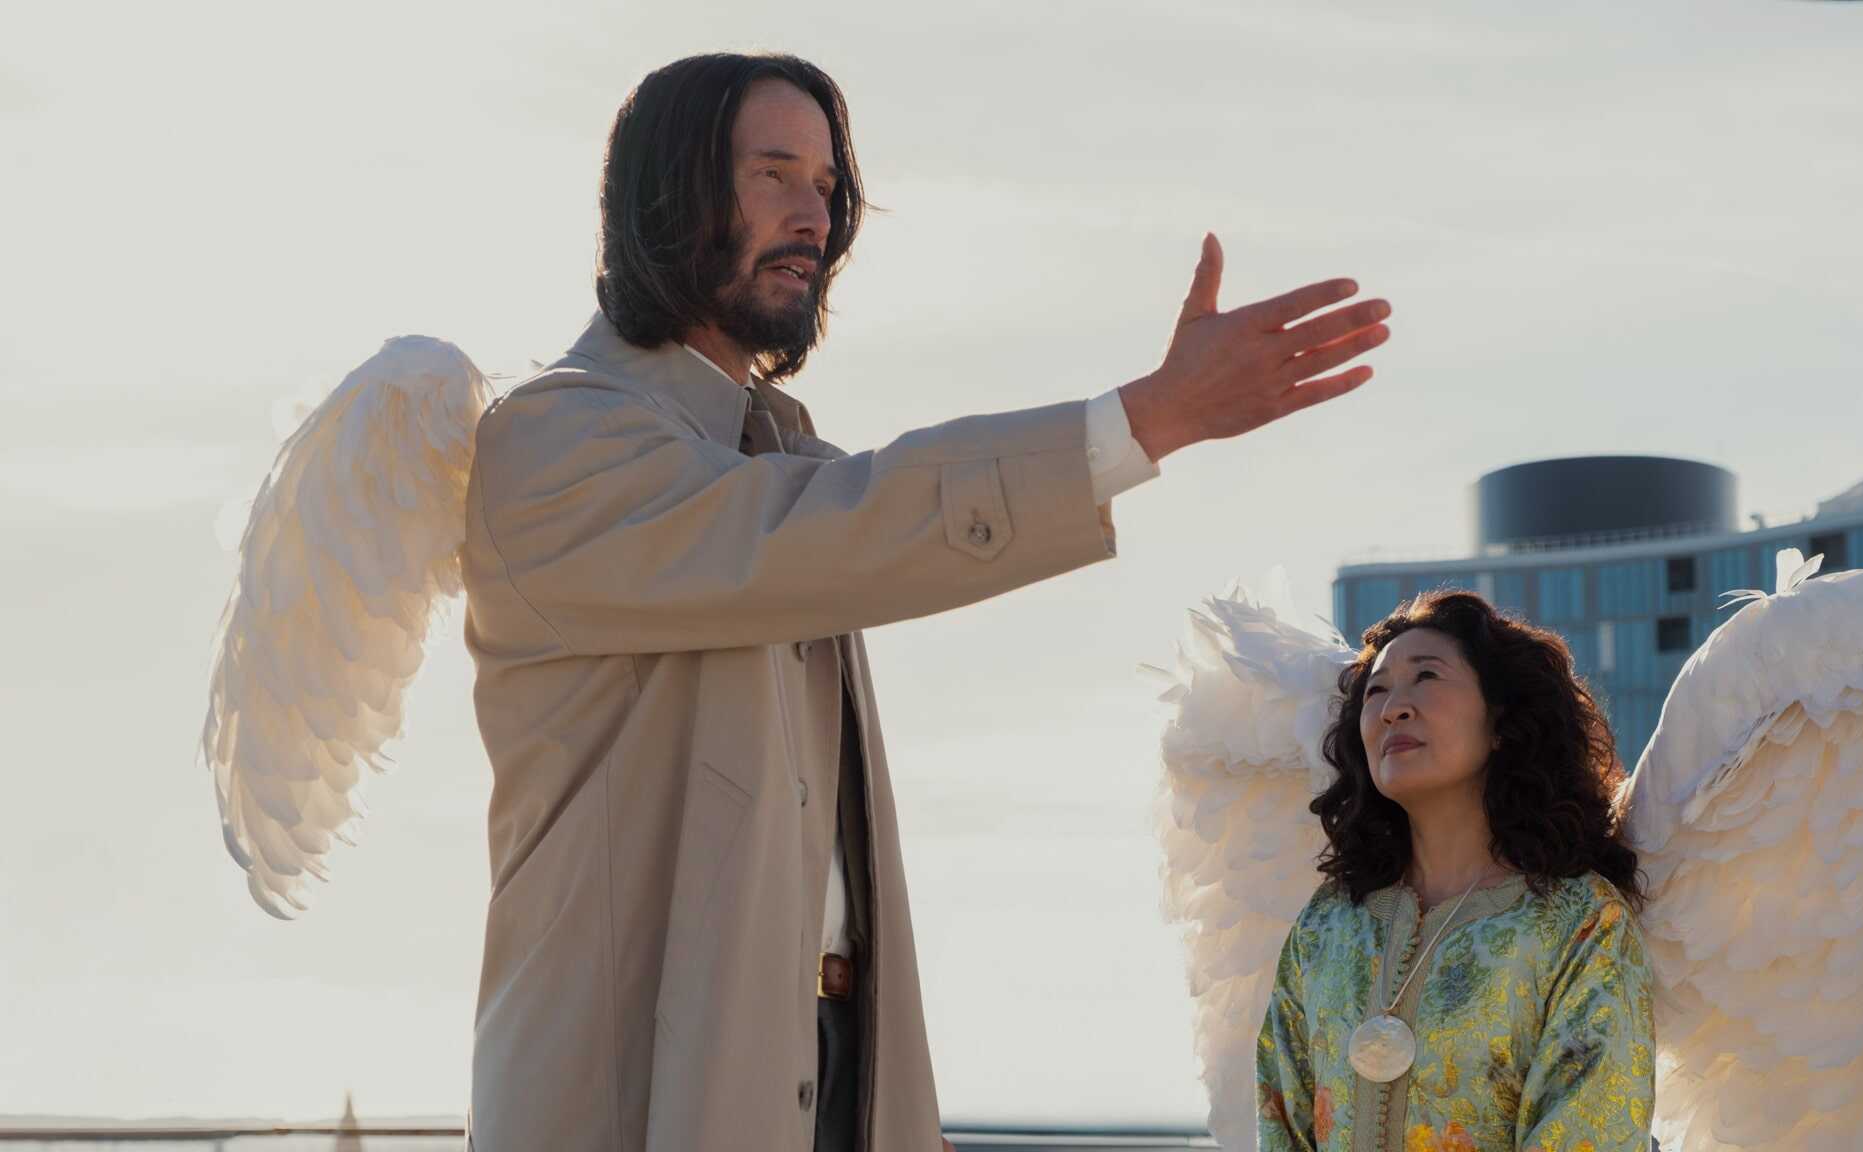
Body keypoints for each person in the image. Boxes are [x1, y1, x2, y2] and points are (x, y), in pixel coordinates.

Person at [459, 52, 1393, 1152]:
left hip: (829, 1063)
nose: (812, 215)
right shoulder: (557, 438)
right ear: (666, 196)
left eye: (825, 185)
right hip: (629, 1088)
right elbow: (837, 526)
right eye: (772, 174)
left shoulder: (768, 452)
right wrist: (1141, 421)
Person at [1256, 590, 1654, 1151]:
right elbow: (1280, 1125)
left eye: (1426, 676)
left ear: (1500, 722)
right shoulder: (1326, 925)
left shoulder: (1580, 923)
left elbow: (1593, 1134)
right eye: (1376, 690)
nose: (1394, 705)